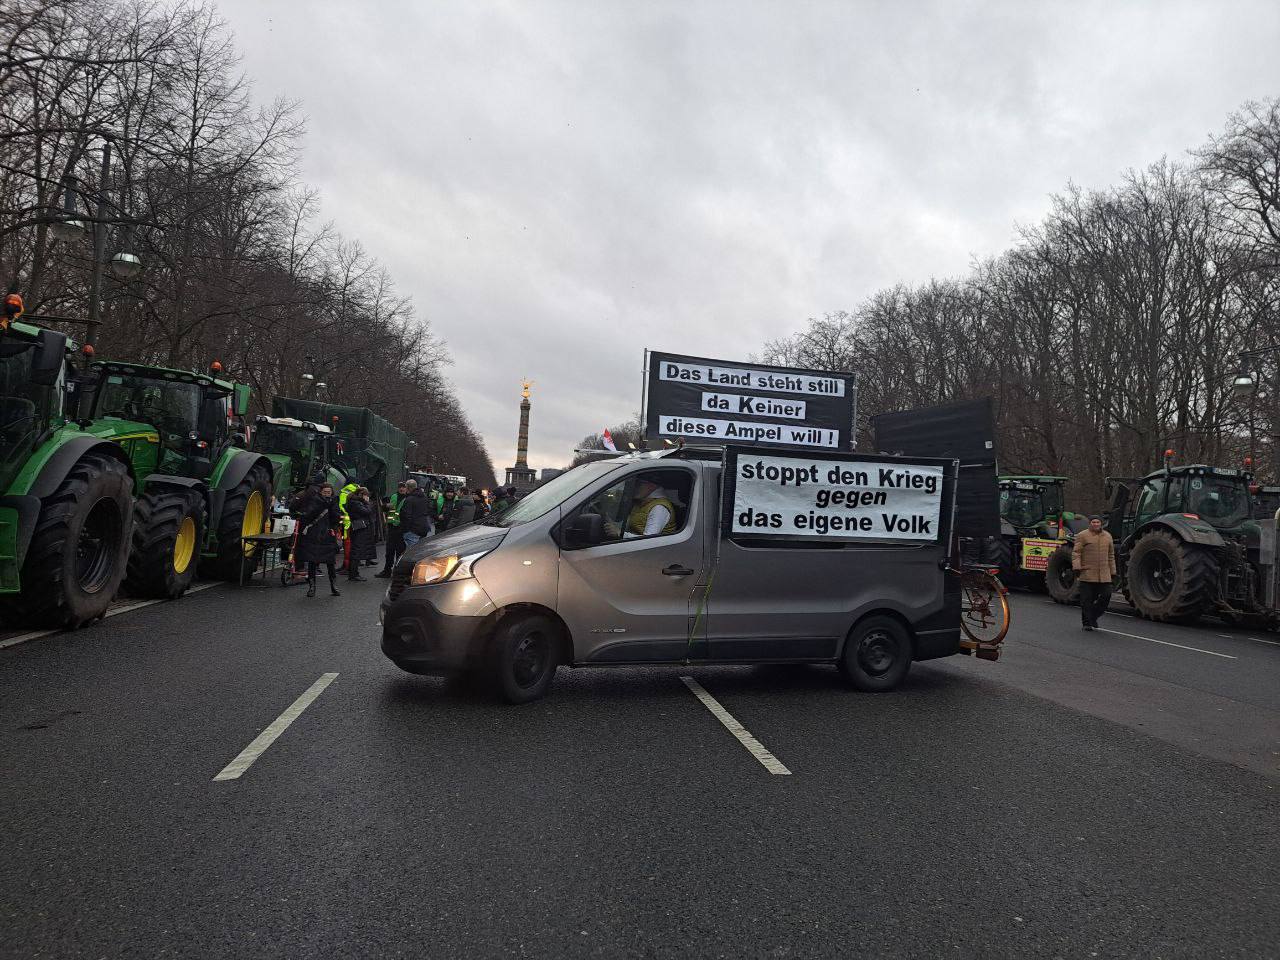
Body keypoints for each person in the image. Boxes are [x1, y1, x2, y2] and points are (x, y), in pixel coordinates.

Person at [295, 483, 343, 597]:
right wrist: (322, 505)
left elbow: (336, 517)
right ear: (321, 492)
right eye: (325, 492)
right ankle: (312, 587)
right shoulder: (314, 500)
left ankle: (333, 586)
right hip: (314, 535)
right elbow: (308, 515)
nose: (327, 494)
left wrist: (332, 509)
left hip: (328, 534)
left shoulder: (334, 502)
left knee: (330, 562)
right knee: (312, 561)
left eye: (329, 492)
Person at [1073, 515, 1116, 631]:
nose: (1096, 524)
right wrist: (1077, 567)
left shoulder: (1107, 536)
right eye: (1093, 522)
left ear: (1101, 523)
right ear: (1090, 523)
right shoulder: (1082, 535)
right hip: (1087, 573)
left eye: (1098, 522)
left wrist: (1113, 571)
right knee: (1087, 600)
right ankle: (1087, 623)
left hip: (1104, 574)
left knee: (1106, 595)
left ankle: (1093, 616)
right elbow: (1076, 553)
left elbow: (1111, 555)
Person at [605, 477, 677, 539]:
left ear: (651, 486)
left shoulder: (659, 507)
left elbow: (648, 540)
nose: (634, 487)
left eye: (638, 484)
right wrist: (612, 524)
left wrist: (619, 533)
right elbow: (628, 525)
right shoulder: (642, 502)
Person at [376, 480, 408, 578]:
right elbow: (384, 509)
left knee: (400, 552)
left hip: (401, 528)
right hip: (391, 527)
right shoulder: (393, 496)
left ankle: (397, 572)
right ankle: (387, 571)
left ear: (407, 488)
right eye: (400, 487)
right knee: (389, 551)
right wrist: (386, 506)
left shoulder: (408, 498)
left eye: (403, 487)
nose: (401, 489)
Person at [345, 487, 376, 581]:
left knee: (356, 550)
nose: (367, 497)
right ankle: (354, 574)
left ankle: (353, 573)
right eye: (366, 495)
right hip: (360, 528)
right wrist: (367, 503)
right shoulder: (356, 503)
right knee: (357, 551)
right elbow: (367, 511)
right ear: (362, 495)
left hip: (357, 528)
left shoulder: (354, 502)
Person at [398, 478, 435, 547]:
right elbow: (428, 511)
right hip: (423, 528)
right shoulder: (424, 498)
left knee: (413, 551)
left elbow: (406, 516)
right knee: (420, 550)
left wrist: (405, 529)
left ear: (408, 488)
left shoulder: (409, 499)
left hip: (413, 530)